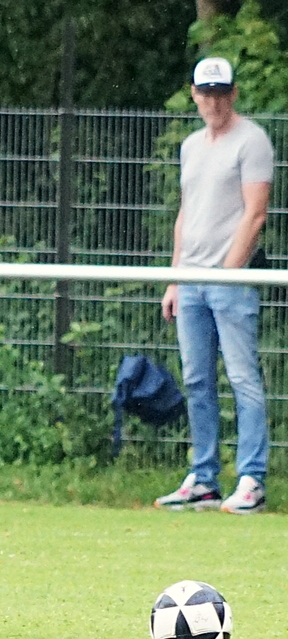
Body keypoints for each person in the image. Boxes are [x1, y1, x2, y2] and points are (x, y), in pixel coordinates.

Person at [155, 57, 273, 514]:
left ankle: (251, 479)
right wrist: (175, 278)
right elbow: (186, 214)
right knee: (197, 380)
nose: (213, 101)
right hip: (191, 280)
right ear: (194, 95)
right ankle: (204, 478)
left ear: (233, 94)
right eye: (206, 93)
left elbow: (255, 213)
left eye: (221, 93)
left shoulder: (252, 141)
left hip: (230, 280)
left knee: (242, 378)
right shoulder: (191, 146)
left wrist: (228, 272)